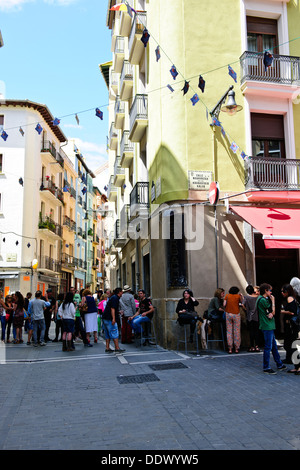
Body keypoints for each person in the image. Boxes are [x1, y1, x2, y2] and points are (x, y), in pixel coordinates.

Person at [256, 283, 286, 374]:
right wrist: (273, 301)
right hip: (267, 325)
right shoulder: (263, 300)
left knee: (273, 346)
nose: (271, 292)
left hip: (268, 325)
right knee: (268, 347)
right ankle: (266, 367)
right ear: (265, 290)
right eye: (270, 290)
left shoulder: (261, 299)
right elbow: (272, 312)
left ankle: (279, 364)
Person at [102, 287, 125, 354]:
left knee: (107, 333)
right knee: (114, 332)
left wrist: (118, 312)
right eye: (121, 292)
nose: (122, 293)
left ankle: (107, 347)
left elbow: (111, 308)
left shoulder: (113, 297)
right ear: (119, 292)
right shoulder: (115, 298)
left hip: (105, 317)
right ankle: (117, 348)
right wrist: (114, 318)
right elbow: (112, 308)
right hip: (109, 318)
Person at [280, 284, 299, 367]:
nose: (282, 293)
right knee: (289, 342)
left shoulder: (290, 298)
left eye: (283, 291)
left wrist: (282, 311)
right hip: (292, 324)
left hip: (291, 324)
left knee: (289, 342)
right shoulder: (293, 298)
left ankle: (291, 359)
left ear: (287, 292)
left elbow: (292, 312)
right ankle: (289, 358)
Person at [224, 286, 243, 354]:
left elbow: (224, 304)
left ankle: (230, 348)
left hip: (228, 314)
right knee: (237, 331)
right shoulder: (238, 296)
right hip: (236, 314)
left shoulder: (227, 296)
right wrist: (241, 296)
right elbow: (242, 302)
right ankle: (236, 348)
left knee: (229, 331)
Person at [242, 285, 260, 352]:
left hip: (249, 316)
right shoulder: (258, 297)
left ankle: (252, 346)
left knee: (251, 332)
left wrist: (247, 309)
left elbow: (243, 304)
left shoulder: (246, 297)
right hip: (257, 316)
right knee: (257, 331)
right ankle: (257, 346)